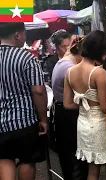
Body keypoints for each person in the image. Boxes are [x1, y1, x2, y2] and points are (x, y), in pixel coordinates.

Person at [63, 30, 106, 180]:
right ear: (99, 51)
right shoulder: (99, 73)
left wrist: (84, 105)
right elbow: (105, 108)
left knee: (92, 170)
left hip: (83, 124)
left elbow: (67, 104)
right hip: (100, 124)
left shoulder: (69, 72)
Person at [0, 23, 47, 180]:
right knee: (27, 160)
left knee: (5, 159)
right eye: (25, 34)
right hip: (25, 121)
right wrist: (43, 119)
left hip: (1, 124)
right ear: (17, 35)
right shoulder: (27, 58)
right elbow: (38, 91)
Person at [51, 35, 88, 180]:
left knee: (68, 159)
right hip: (69, 116)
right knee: (76, 160)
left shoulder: (63, 62)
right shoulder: (70, 67)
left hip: (61, 113)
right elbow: (83, 95)